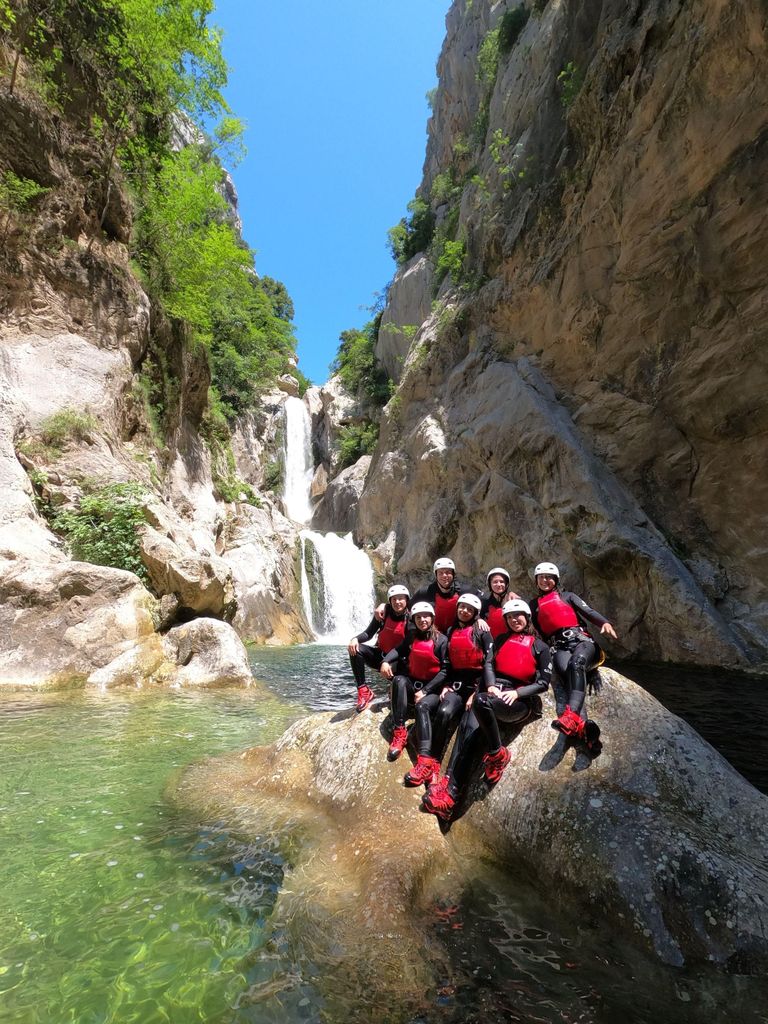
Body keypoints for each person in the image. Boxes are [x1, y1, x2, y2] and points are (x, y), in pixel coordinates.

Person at [422, 599, 551, 821]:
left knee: (481, 703)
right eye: (510, 617)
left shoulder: (540, 646)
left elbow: (543, 683)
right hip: (490, 694)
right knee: (465, 732)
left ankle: (497, 754)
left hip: (517, 701)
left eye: (519, 616)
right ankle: (449, 794)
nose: (514, 620)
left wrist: (517, 693)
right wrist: (490, 685)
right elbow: (488, 665)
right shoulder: (500, 640)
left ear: (527, 617)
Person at [403, 593, 493, 788]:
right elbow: (449, 665)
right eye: (462, 607)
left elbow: (489, 663)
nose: (464, 611)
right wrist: (445, 685)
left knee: (465, 726)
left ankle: (447, 780)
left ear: (475, 612)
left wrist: (478, 692)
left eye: (469, 609)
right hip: (456, 685)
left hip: (476, 686)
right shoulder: (451, 630)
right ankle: (430, 763)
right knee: (443, 712)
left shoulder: (482, 631)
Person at [529, 562, 617, 754]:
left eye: (549, 577)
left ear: (556, 580)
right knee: (567, 672)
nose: (545, 580)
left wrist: (604, 622)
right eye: (541, 577)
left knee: (577, 663)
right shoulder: (533, 605)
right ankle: (585, 732)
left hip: (581, 642)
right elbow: (536, 633)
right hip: (559, 647)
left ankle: (570, 717)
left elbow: (588, 612)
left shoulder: (568, 596)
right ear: (536, 580)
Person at [379, 601, 448, 761]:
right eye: (418, 617)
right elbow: (399, 649)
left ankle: (425, 757)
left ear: (432, 618)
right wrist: (385, 661)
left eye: (426, 617)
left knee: (422, 704)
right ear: (414, 620)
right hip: (413, 686)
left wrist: (425, 691)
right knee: (398, 680)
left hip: (431, 691)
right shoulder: (411, 636)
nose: (422, 620)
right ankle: (399, 732)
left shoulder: (442, 641)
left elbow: (445, 672)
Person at [348, 585, 410, 713]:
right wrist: (355, 639)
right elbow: (369, 633)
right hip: (381, 657)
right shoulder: (384, 613)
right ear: (390, 601)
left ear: (407, 600)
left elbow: (404, 647)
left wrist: (387, 661)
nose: (397, 602)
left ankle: (394, 687)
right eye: (394, 599)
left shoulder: (411, 618)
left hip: (399, 663)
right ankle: (363, 690)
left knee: (398, 696)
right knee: (356, 648)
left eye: (400, 599)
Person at [480, 566, 521, 639]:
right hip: (489, 642)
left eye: (502, 582)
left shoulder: (513, 601)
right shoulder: (484, 603)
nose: (499, 585)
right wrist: (478, 620)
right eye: (495, 582)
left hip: (509, 640)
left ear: (506, 584)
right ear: (490, 584)